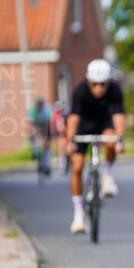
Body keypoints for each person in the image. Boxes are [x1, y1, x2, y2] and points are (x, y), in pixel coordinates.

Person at [66, 59, 125, 234]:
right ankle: (78, 213)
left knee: (111, 140)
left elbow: (118, 116)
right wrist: (70, 141)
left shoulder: (114, 90)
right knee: (77, 166)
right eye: (94, 84)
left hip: (104, 122)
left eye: (102, 84)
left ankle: (107, 175)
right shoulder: (80, 91)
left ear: (108, 82)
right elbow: (73, 118)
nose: (98, 88)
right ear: (88, 81)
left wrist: (120, 139)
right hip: (83, 125)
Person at [27, 97, 52, 164]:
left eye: (41, 105)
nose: (39, 107)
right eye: (38, 105)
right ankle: (35, 152)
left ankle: (47, 158)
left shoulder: (46, 110)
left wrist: (45, 137)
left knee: (46, 142)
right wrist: (36, 134)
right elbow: (31, 124)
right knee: (32, 133)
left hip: (44, 126)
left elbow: (48, 123)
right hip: (36, 125)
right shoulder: (32, 111)